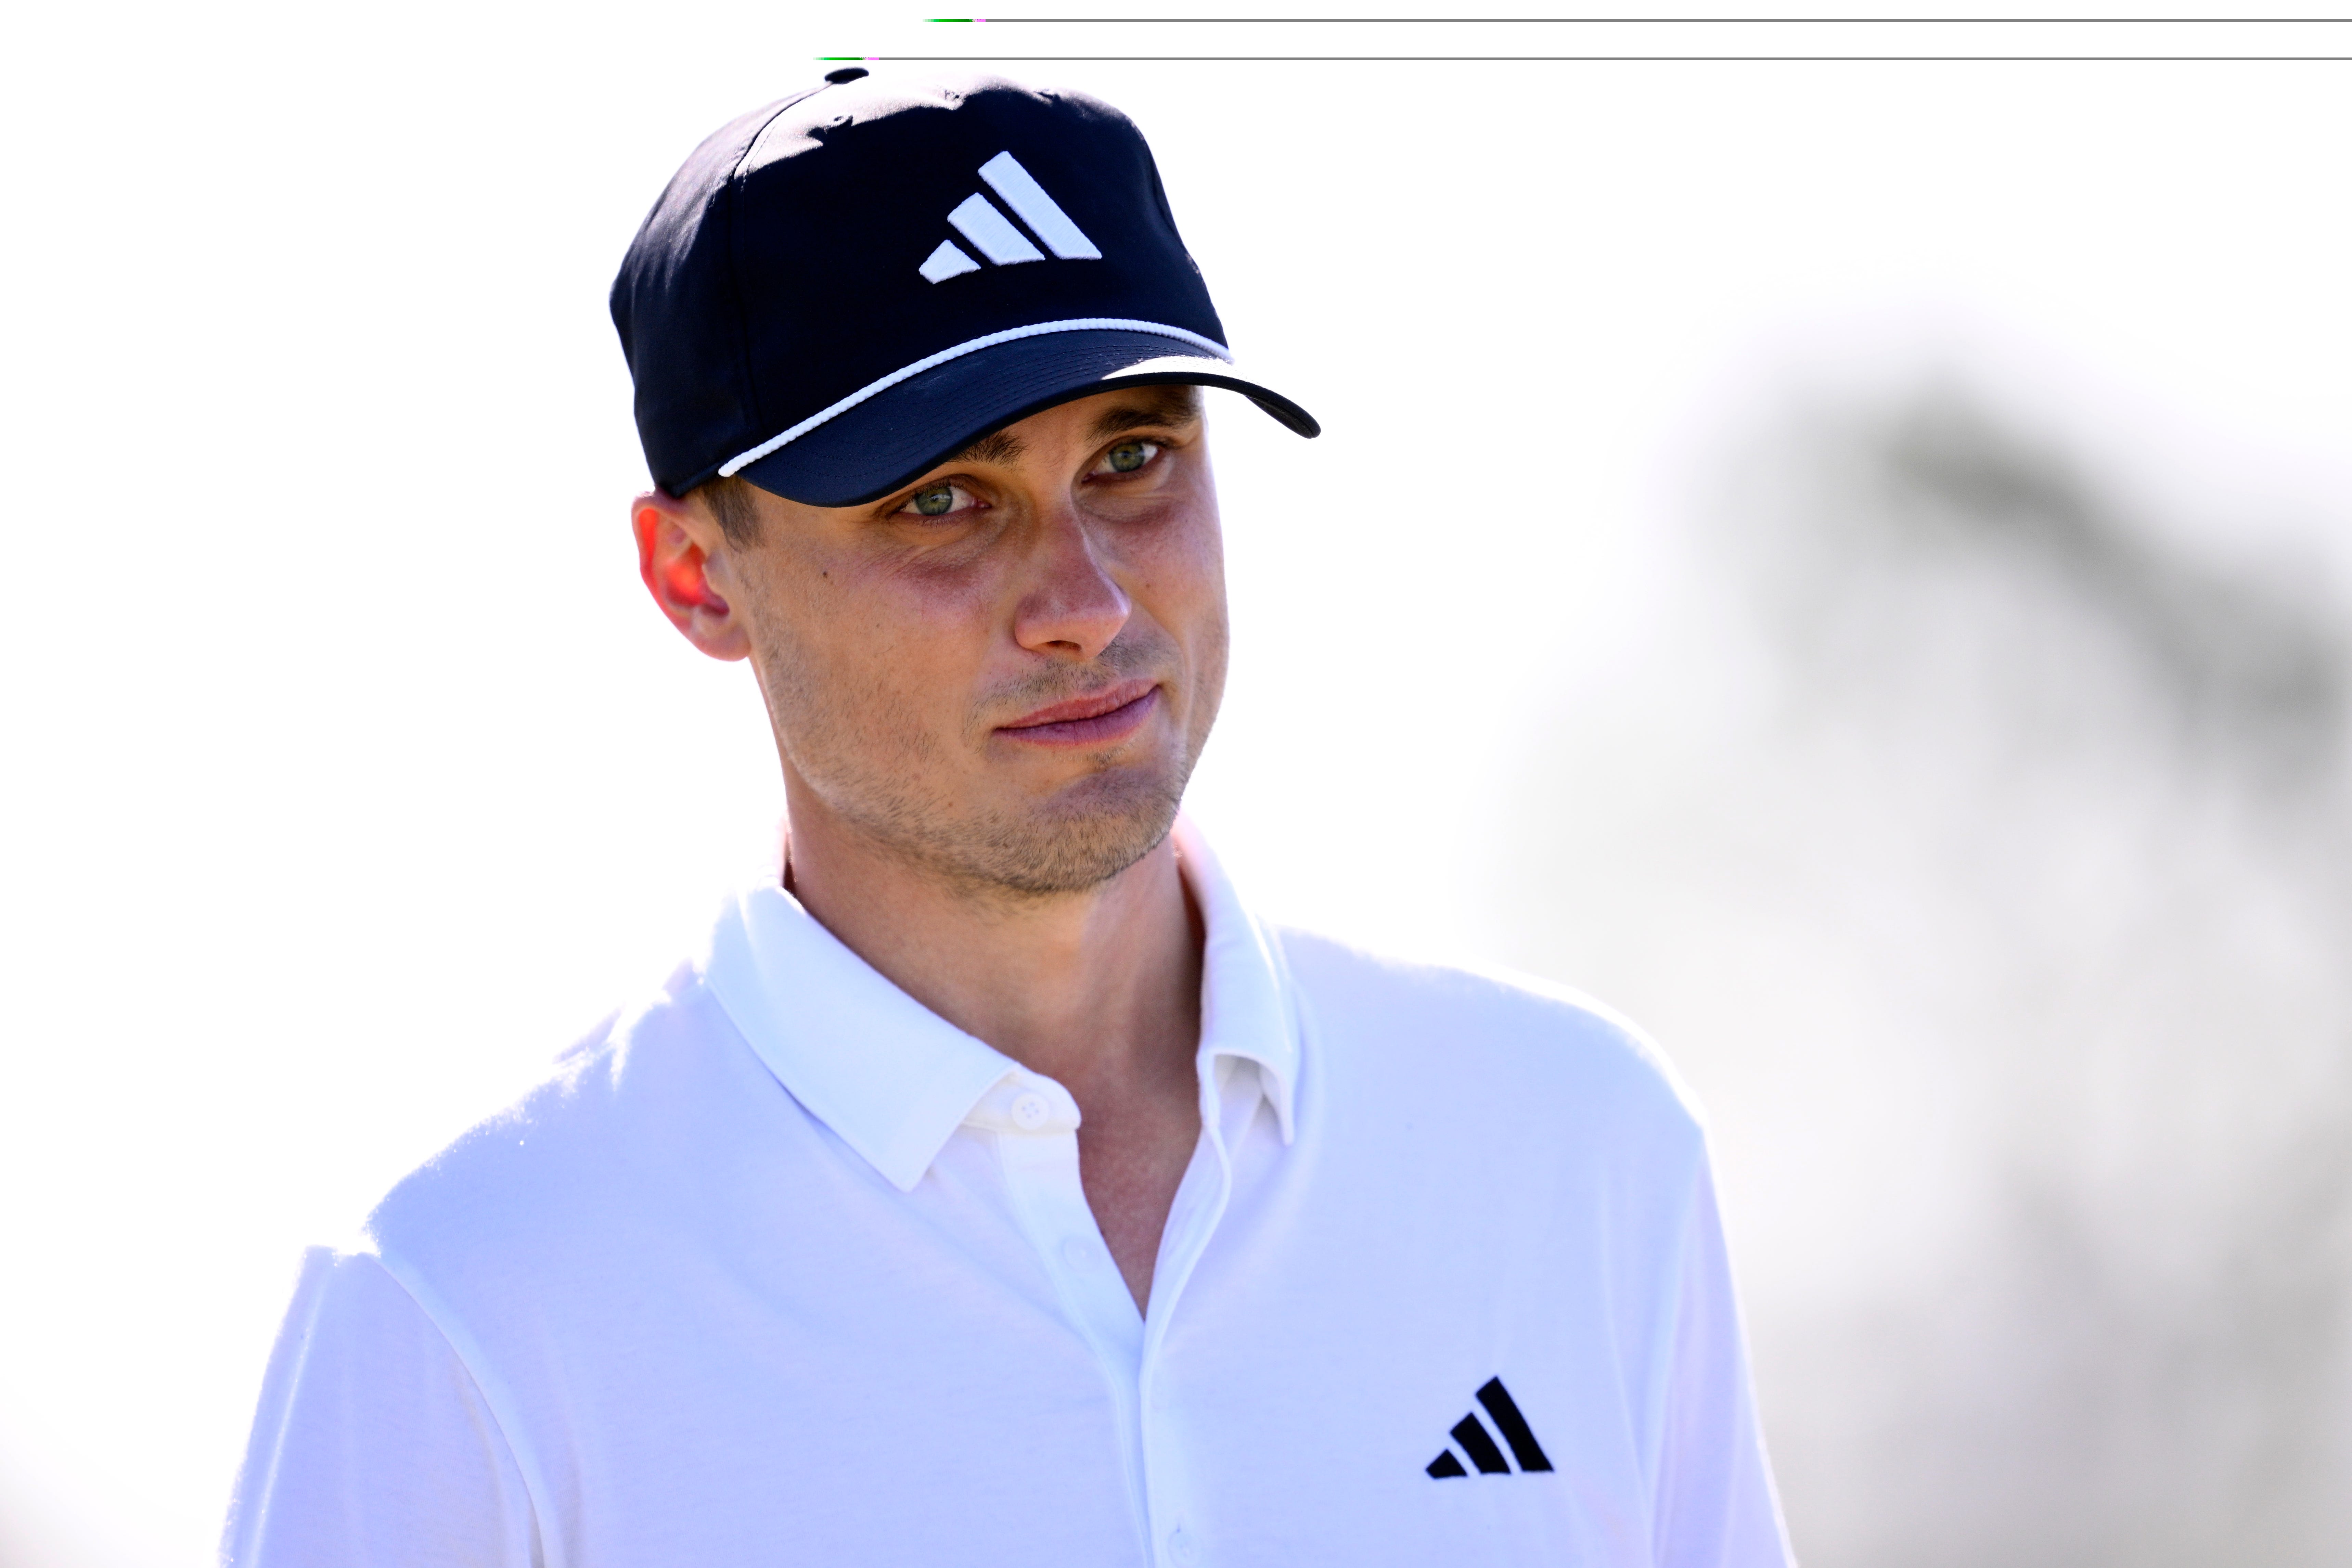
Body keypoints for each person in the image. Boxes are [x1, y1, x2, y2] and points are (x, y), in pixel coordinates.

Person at [223, 70, 1791, 1567]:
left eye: (1134, 457)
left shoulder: (1574, 1145)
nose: (1086, 603)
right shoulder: (465, 1306)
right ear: (698, 575)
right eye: (944, 501)